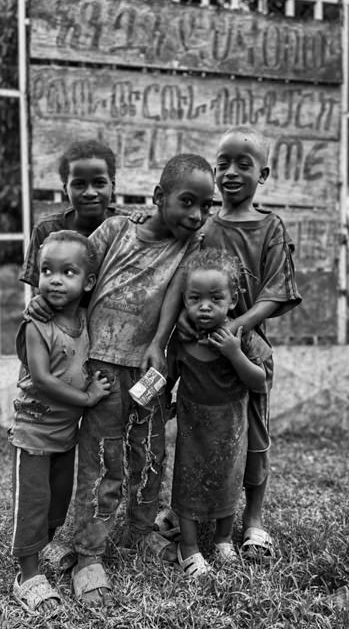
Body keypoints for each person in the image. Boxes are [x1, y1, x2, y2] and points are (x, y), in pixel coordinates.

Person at [26, 153, 215, 605]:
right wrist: (44, 303)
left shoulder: (191, 246)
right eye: (187, 201)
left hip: (150, 372)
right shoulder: (115, 231)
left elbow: (175, 290)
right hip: (103, 369)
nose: (196, 214)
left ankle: (141, 532)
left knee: (150, 454)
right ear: (157, 197)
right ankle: (89, 553)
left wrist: (160, 342)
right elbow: (77, 276)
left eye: (205, 206)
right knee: (102, 461)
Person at [154, 126, 302, 562]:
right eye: (223, 163)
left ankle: (252, 521)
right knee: (199, 437)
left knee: (252, 438)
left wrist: (238, 326)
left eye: (244, 163)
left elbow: (278, 289)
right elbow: (183, 277)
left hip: (244, 346)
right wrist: (182, 317)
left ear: (264, 173)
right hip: (198, 345)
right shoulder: (205, 227)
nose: (231, 171)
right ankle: (187, 510)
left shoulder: (270, 227)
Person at [9, 230, 111, 614]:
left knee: (56, 505)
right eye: (46, 270)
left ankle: (45, 549)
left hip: (65, 438)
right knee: (32, 506)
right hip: (33, 434)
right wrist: (87, 398)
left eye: (67, 272)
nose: (54, 278)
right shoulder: (38, 325)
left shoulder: (87, 321)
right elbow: (42, 378)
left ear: (87, 283)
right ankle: (27, 574)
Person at [167, 249, 272, 578]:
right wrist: (150, 403)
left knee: (229, 480)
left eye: (216, 298)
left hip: (231, 428)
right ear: (184, 299)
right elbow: (166, 377)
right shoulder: (182, 340)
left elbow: (260, 382)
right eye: (195, 298)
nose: (205, 306)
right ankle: (189, 547)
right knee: (187, 482)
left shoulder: (242, 337)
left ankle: (223, 538)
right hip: (193, 428)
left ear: (232, 299)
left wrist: (234, 353)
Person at [20, 139, 123, 291]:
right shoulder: (47, 230)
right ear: (65, 189)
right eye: (79, 184)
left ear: (112, 186)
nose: (90, 193)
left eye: (99, 183)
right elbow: (40, 292)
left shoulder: (128, 227)